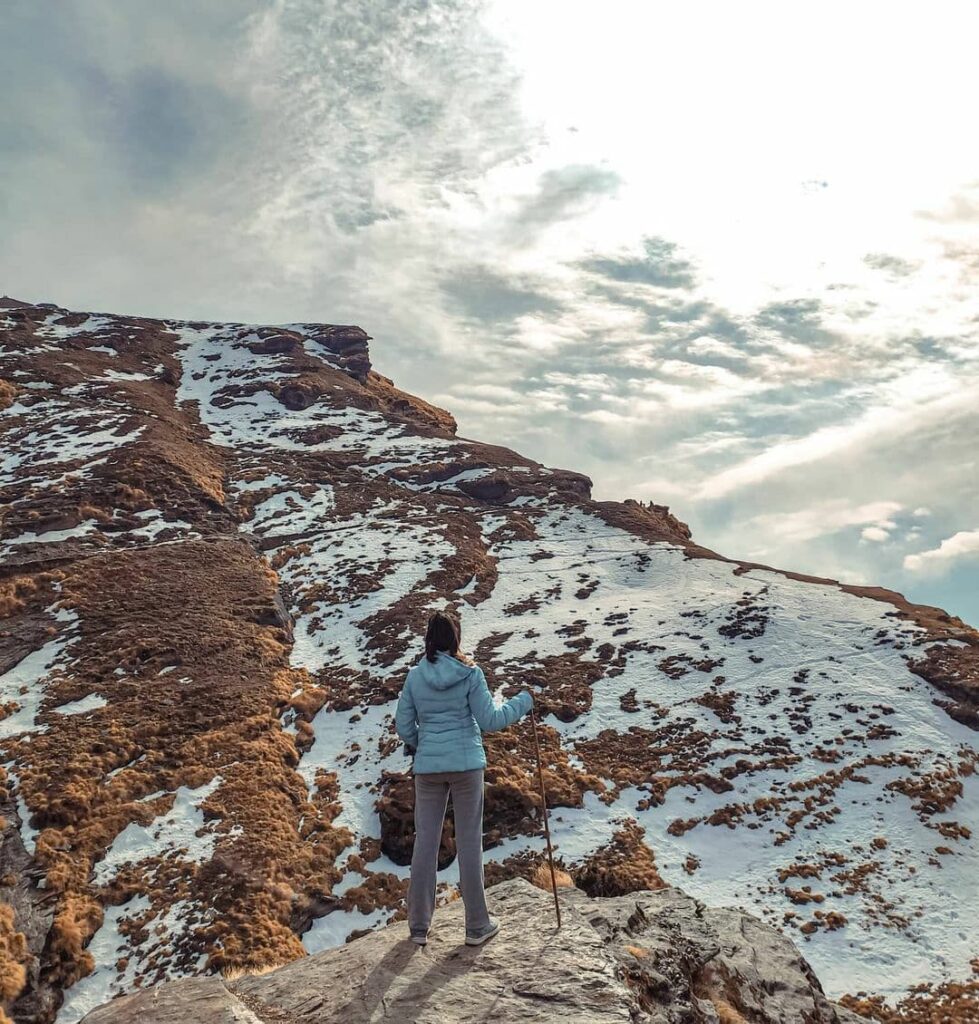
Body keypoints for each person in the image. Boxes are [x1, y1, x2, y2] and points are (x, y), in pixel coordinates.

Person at [395, 609, 533, 947]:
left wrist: (421, 744)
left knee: (425, 843)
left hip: (428, 769)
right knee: (470, 843)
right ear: (456, 639)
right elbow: (490, 720)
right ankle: (476, 926)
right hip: (467, 766)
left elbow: (402, 726)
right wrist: (524, 702)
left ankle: (418, 927)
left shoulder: (415, 677)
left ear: (428, 639)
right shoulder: (471, 674)